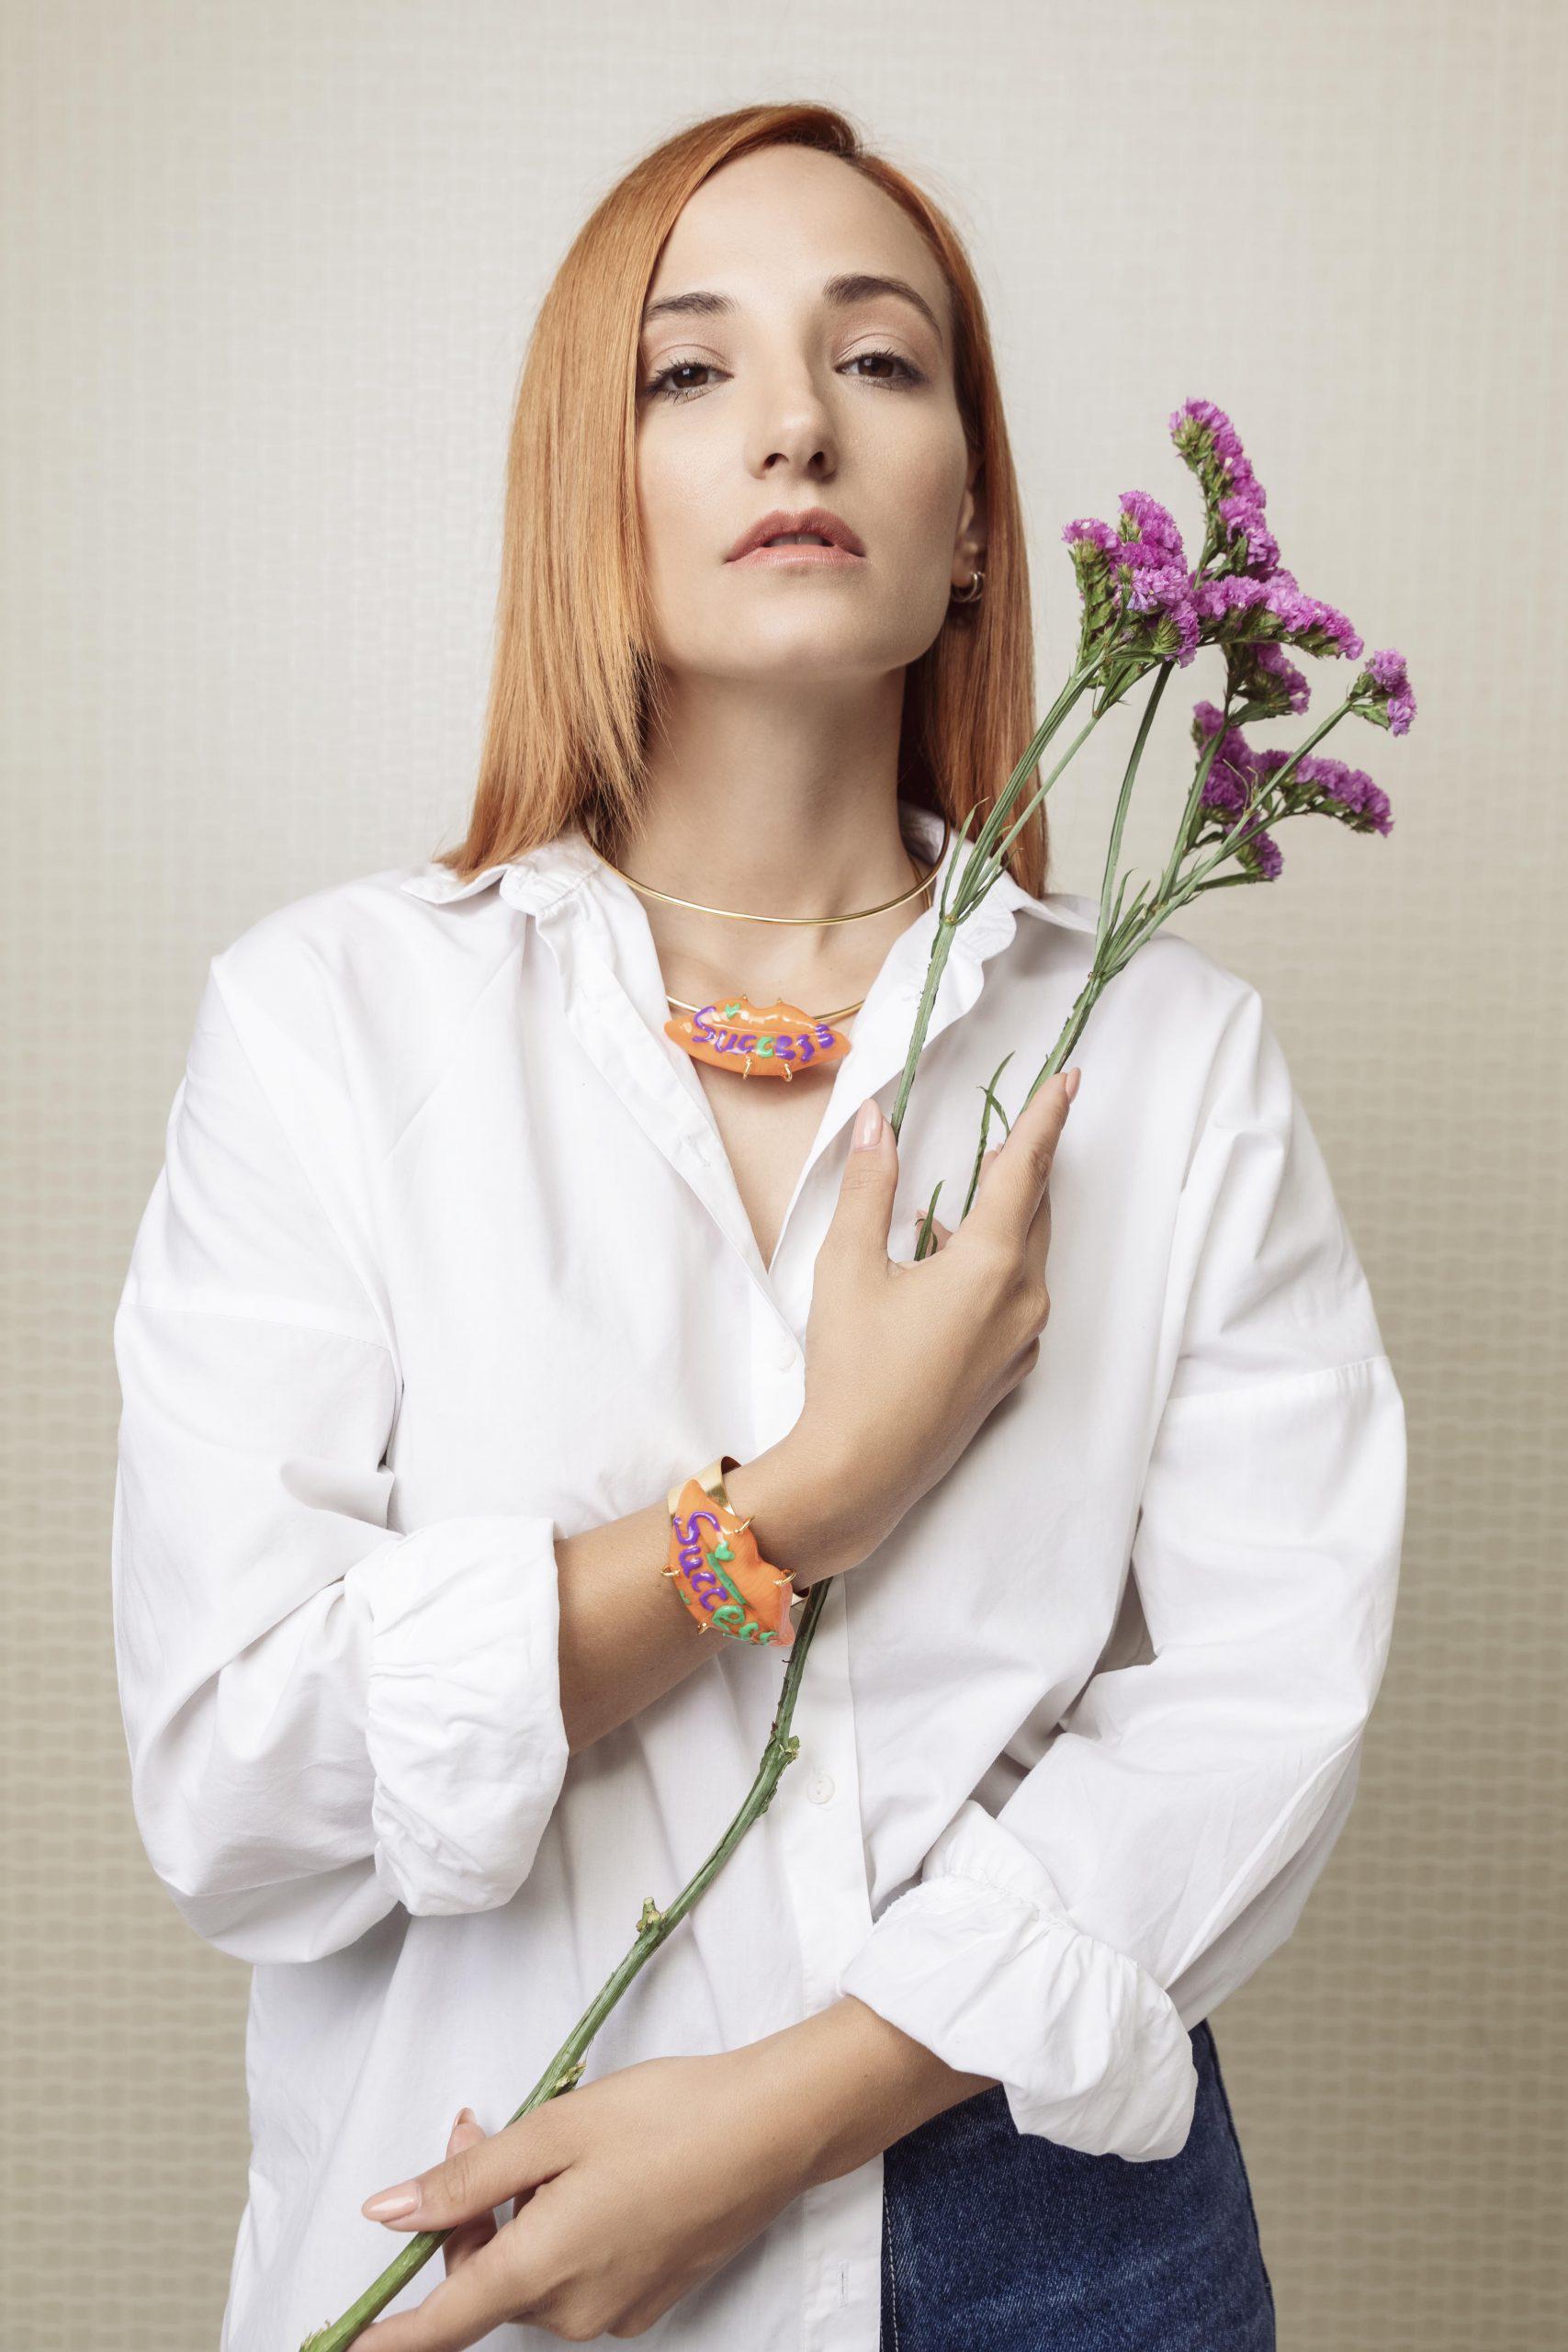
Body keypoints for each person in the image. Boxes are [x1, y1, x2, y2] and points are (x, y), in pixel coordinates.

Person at [110, 103, 1406, 2352]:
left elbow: (1256, 1709)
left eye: (876, 360)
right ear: (583, 487)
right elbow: (239, 1782)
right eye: (688, 369)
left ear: (975, 524)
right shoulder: (327, 1024)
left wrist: (770, 2119)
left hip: (1048, 2240)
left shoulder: (1167, 1059)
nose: (792, 422)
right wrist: (791, 1506)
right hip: (487, 2221)